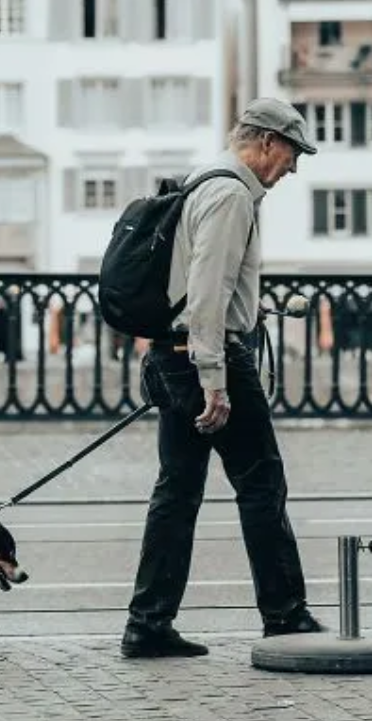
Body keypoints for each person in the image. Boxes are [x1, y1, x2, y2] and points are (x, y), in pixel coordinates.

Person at [121, 98, 325, 659]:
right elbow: (207, 290)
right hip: (207, 360)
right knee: (261, 484)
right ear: (264, 143)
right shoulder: (232, 194)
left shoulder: (199, 182)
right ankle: (285, 616)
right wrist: (213, 377)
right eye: (291, 154)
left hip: (170, 354)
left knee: (177, 494)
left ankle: (148, 623)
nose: (292, 168)